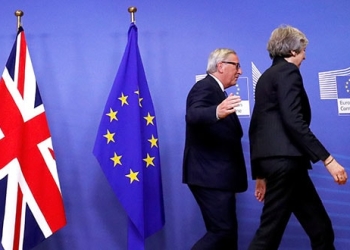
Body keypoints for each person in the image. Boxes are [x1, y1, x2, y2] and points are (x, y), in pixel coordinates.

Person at [248, 25, 348, 250]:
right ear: (292, 51)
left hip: (284, 164)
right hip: (286, 163)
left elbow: (256, 127)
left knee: (320, 228)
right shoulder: (288, 72)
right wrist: (328, 160)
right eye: (302, 50)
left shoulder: (266, 77)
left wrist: (261, 172)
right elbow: (294, 121)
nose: (305, 56)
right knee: (268, 235)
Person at [182, 48, 248, 250]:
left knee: (228, 237)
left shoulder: (218, 91)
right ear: (221, 66)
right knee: (222, 232)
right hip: (210, 176)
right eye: (236, 65)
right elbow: (193, 115)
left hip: (218, 177)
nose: (240, 71)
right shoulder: (205, 87)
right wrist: (216, 112)